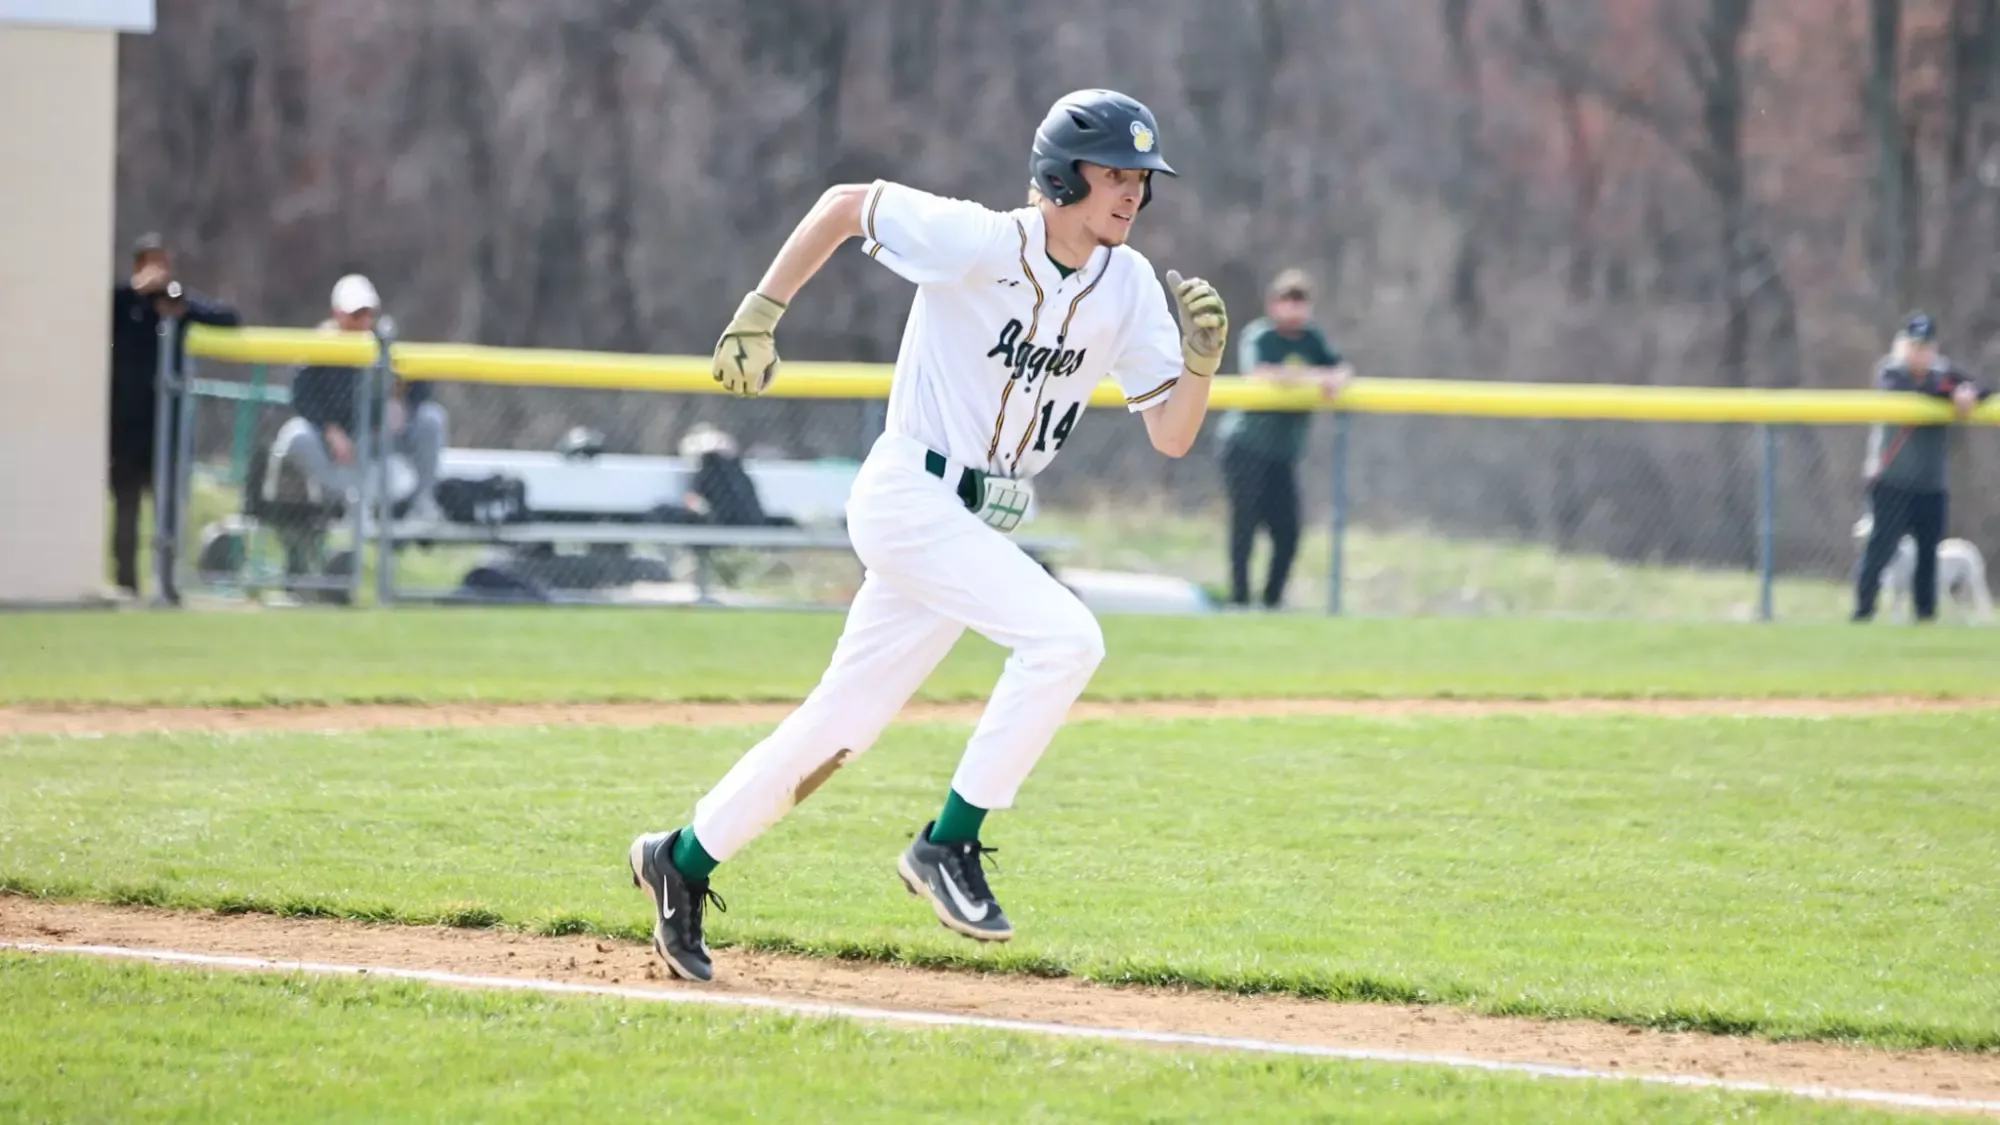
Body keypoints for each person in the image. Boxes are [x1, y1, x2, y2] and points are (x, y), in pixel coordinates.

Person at [628, 89, 1228, 983]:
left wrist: (1201, 365)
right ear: (1062, 174)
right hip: (910, 493)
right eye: (1114, 173)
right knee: (1066, 638)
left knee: (843, 724)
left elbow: (1172, 435)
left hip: (971, 520)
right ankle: (948, 844)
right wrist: (761, 309)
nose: (1134, 191)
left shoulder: (1130, 284)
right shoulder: (981, 241)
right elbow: (844, 206)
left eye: (1143, 178)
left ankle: (679, 858)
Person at [107, 232, 241, 597]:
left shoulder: (174, 304)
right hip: (126, 426)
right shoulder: (123, 303)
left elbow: (229, 319)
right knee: (126, 508)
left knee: (168, 509)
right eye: (150, 263)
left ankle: (166, 581)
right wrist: (138, 291)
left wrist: (182, 307)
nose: (157, 272)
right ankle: (126, 582)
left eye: (162, 264)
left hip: (165, 428)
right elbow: (108, 312)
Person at [1214, 269, 1350, 609]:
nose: (1294, 310)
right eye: (1287, 302)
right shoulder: (1261, 335)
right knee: (1245, 524)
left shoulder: (1312, 339)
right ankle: (1239, 599)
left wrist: (1330, 378)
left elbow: (1341, 370)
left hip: (1282, 452)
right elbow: (1261, 374)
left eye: (1300, 303)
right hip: (1246, 445)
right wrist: (1313, 378)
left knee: (1287, 531)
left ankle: (1272, 601)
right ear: (1274, 305)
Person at [1852, 312, 1989, 622]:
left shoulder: (1944, 374)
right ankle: (1863, 611)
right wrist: (1953, 393)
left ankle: (1925, 616)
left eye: (1926, 346)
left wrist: (1969, 392)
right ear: (1903, 345)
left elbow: (1982, 388)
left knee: (1929, 553)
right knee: (1880, 548)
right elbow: (1909, 389)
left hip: (1930, 483)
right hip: (1891, 480)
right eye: (1914, 346)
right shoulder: (1891, 371)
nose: (1920, 353)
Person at [284, 274, 448, 520]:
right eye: (356, 314)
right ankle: (345, 504)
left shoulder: (384, 345)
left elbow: (420, 387)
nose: (364, 321)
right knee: (297, 435)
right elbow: (301, 396)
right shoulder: (321, 347)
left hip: (379, 437)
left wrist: (403, 405)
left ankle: (420, 503)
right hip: (342, 441)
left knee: (431, 418)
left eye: (369, 314)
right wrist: (330, 430)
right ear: (338, 313)